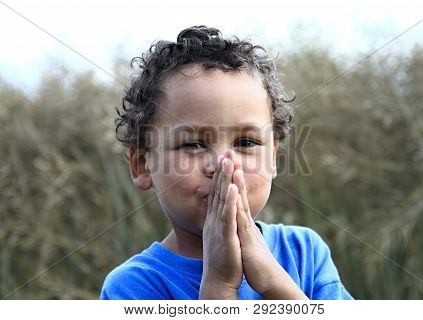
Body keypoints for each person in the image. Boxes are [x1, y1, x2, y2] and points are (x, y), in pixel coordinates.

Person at [100, 25, 353, 300]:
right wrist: (219, 285)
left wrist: (274, 283)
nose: (224, 165)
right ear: (142, 165)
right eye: (193, 144)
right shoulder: (133, 286)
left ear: (272, 158)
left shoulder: (304, 253)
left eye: (245, 143)